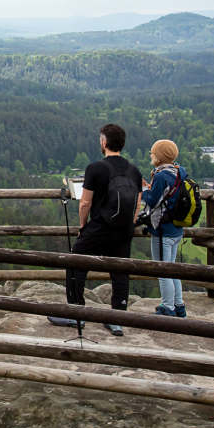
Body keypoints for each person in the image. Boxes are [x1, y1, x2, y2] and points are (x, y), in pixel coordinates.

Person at [48, 124, 142, 337]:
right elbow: (137, 205)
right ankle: (117, 319)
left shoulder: (95, 168)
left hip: (100, 227)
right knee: (120, 271)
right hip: (125, 229)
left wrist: (83, 226)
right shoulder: (134, 171)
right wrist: (130, 225)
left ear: (104, 142)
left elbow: (85, 203)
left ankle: (76, 313)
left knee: (75, 262)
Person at [141, 139, 187, 318]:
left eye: (153, 153)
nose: (151, 156)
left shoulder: (161, 176)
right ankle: (179, 306)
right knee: (172, 268)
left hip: (162, 230)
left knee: (162, 270)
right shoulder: (178, 172)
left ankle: (167, 308)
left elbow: (152, 201)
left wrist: (143, 189)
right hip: (176, 229)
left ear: (159, 157)